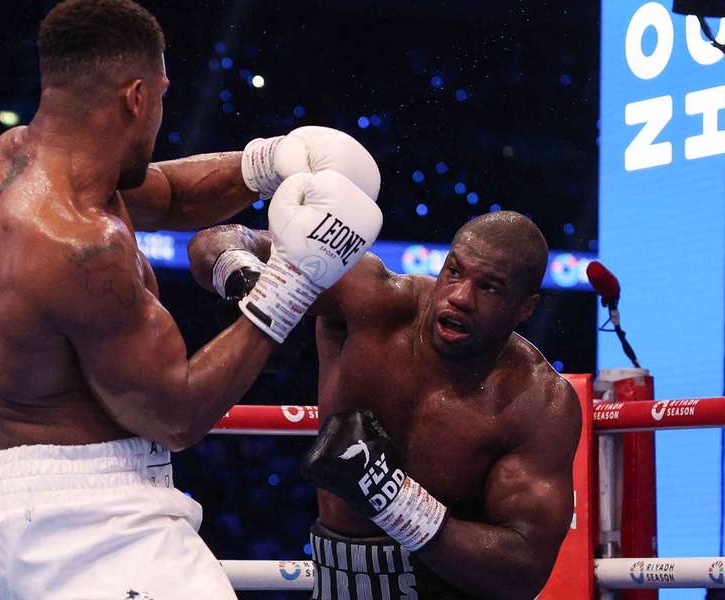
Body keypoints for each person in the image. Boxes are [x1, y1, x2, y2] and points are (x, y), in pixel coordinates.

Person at [0, 1, 382, 598]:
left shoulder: (7, 163)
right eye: (161, 94)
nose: (161, 109)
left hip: (16, 505)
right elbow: (175, 415)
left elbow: (174, 194)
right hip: (86, 526)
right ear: (136, 96)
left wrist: (269, 161)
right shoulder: (80, 244)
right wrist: (294, 279)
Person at [188, 210, 582, 599]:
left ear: (525, 307)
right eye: (455, 271)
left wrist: (393, 498)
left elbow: (524, 568)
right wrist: (258, 293)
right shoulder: (372, 299)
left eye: (490, 287)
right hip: (337, 583)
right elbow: (217, 241)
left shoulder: (536, 401)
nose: (460, 297)